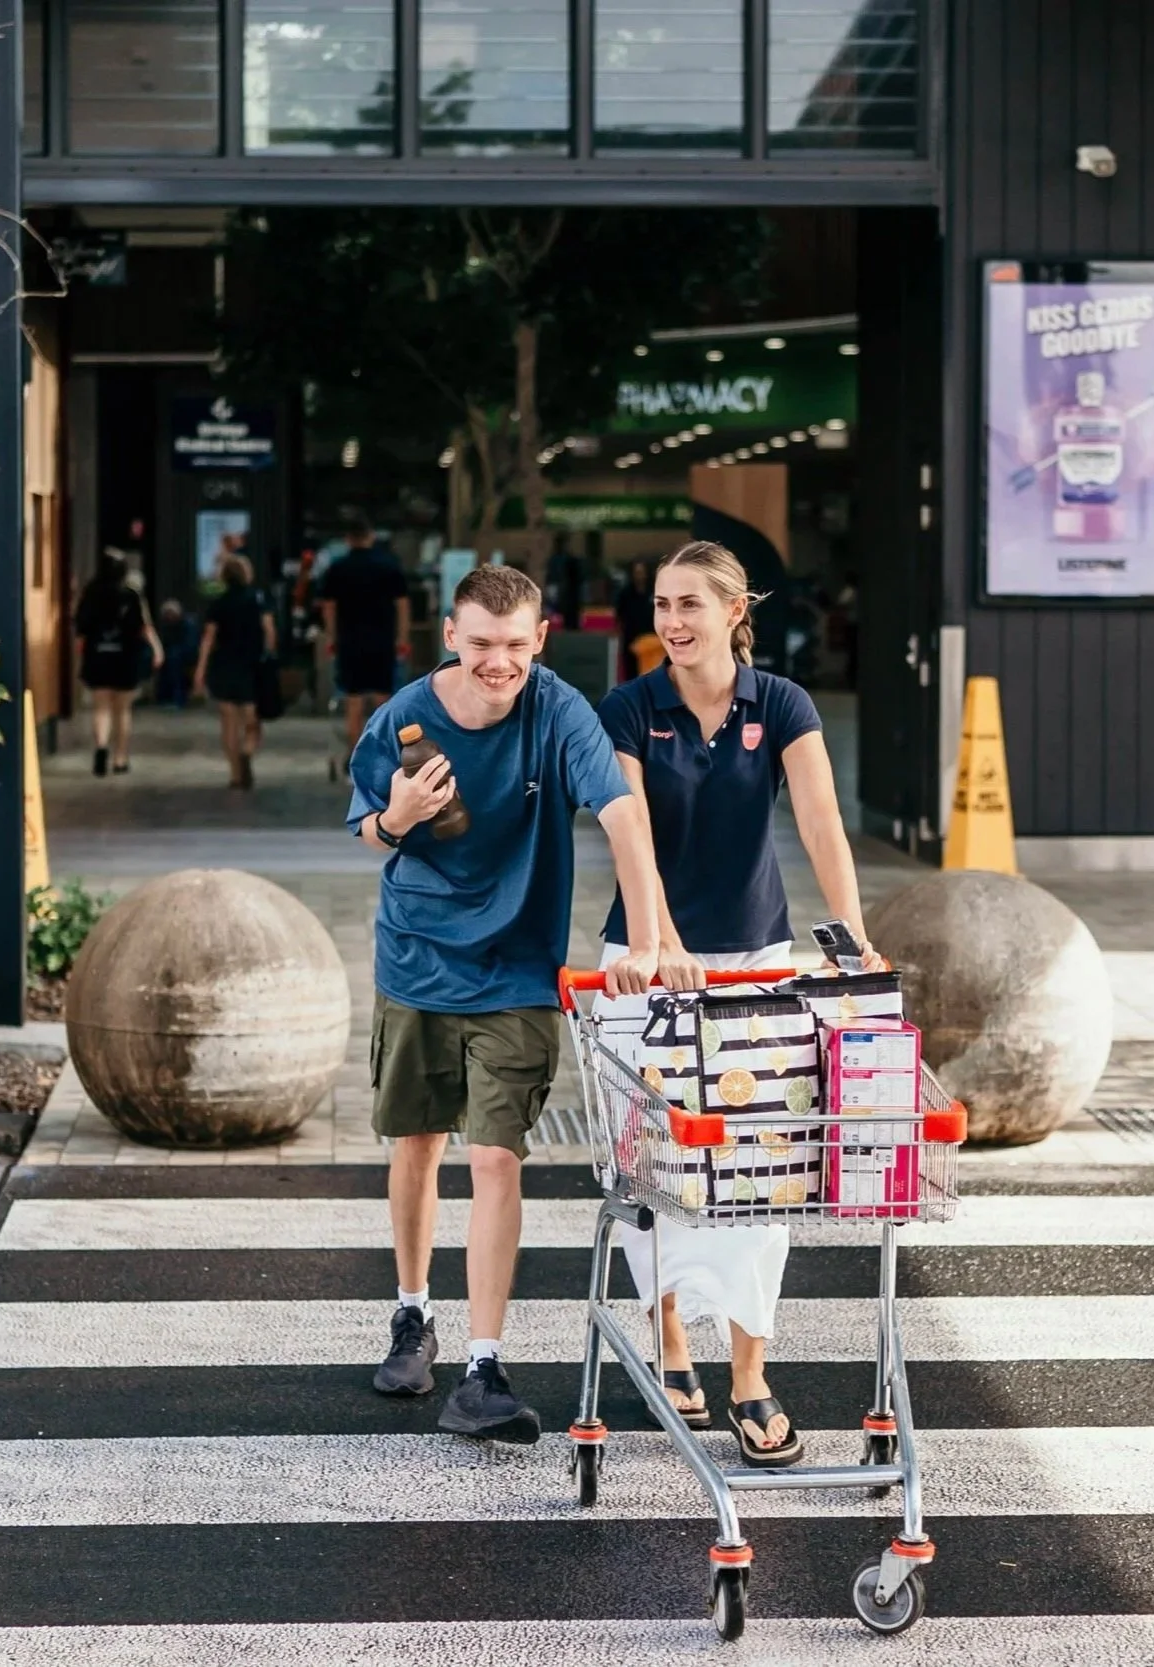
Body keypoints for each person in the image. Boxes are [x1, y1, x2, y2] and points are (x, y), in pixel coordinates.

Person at [348, 563, 664, 1444]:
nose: (499, 662)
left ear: (541, 639)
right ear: (451, 635)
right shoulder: (402, 718)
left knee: (495, 1157)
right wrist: (399, 816)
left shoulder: (559, 711)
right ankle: (412, 1312)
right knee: (417, 1141)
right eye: (482, 643)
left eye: (516, 645)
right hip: (417, 959)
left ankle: (483, 1367)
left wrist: (647, 939)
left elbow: (621, 813)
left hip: (518, 970)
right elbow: (368, 829)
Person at [594, 539, 885, 1469]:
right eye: (661, 603)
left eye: (690, 603)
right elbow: (632, 835)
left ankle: (751, 1374)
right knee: (657, 1169)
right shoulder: (631, 707)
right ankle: (671, 1338)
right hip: (646, 960)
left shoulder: (783, 704)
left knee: (761, 1175)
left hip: (756, 959)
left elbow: (820, 821)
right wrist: (663, 940)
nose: (672, 620)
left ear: (733, 611)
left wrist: (851, 938)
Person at [317, 517, 413, 759]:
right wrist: (402, 638)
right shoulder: (389, 566)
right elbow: (402, 605)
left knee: (354, 701)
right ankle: (384, 754)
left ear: (348, 540)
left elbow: (329, 607)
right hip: (383, 640)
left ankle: (355, 754)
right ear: (371, 537)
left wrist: (331, 637)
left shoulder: (337, 569)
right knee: (384, 699)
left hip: (349, 641)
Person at [74, 550, 161, 777]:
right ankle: (120, 759)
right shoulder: (131, 595)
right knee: (122, 711)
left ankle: (101, 747)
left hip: (98, 656)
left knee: (101, 708)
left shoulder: (90, 593)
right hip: (126, 657)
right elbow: (144, 627)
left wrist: (81, 655)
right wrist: (157, 649)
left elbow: (81, 631)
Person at [193, 552, 276, 789]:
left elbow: (208, 639)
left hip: (224, 666)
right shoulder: (258, 599)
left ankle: (235, 774)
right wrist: (270, 654)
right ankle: (247, 752)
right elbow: (269, 630)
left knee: (228, 722)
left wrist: (200, 670)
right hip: (251, 666)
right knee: (252, 720)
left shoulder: (219, 603)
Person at [614, 558, 654, 681]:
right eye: (636, 572)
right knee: (632, 674)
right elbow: (619, 615)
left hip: (651, 640)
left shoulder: (654, 591)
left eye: (641, 572)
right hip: (631, 639)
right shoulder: (625, 593)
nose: (639, 576)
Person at [155, 598, 198, 709]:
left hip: (186, 655)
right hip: (171, 655)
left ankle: (179, 699)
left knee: (175, 663)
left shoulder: (188, 624)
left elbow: (191, 644)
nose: (169, 617)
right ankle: (163, 698)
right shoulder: (167, 625)